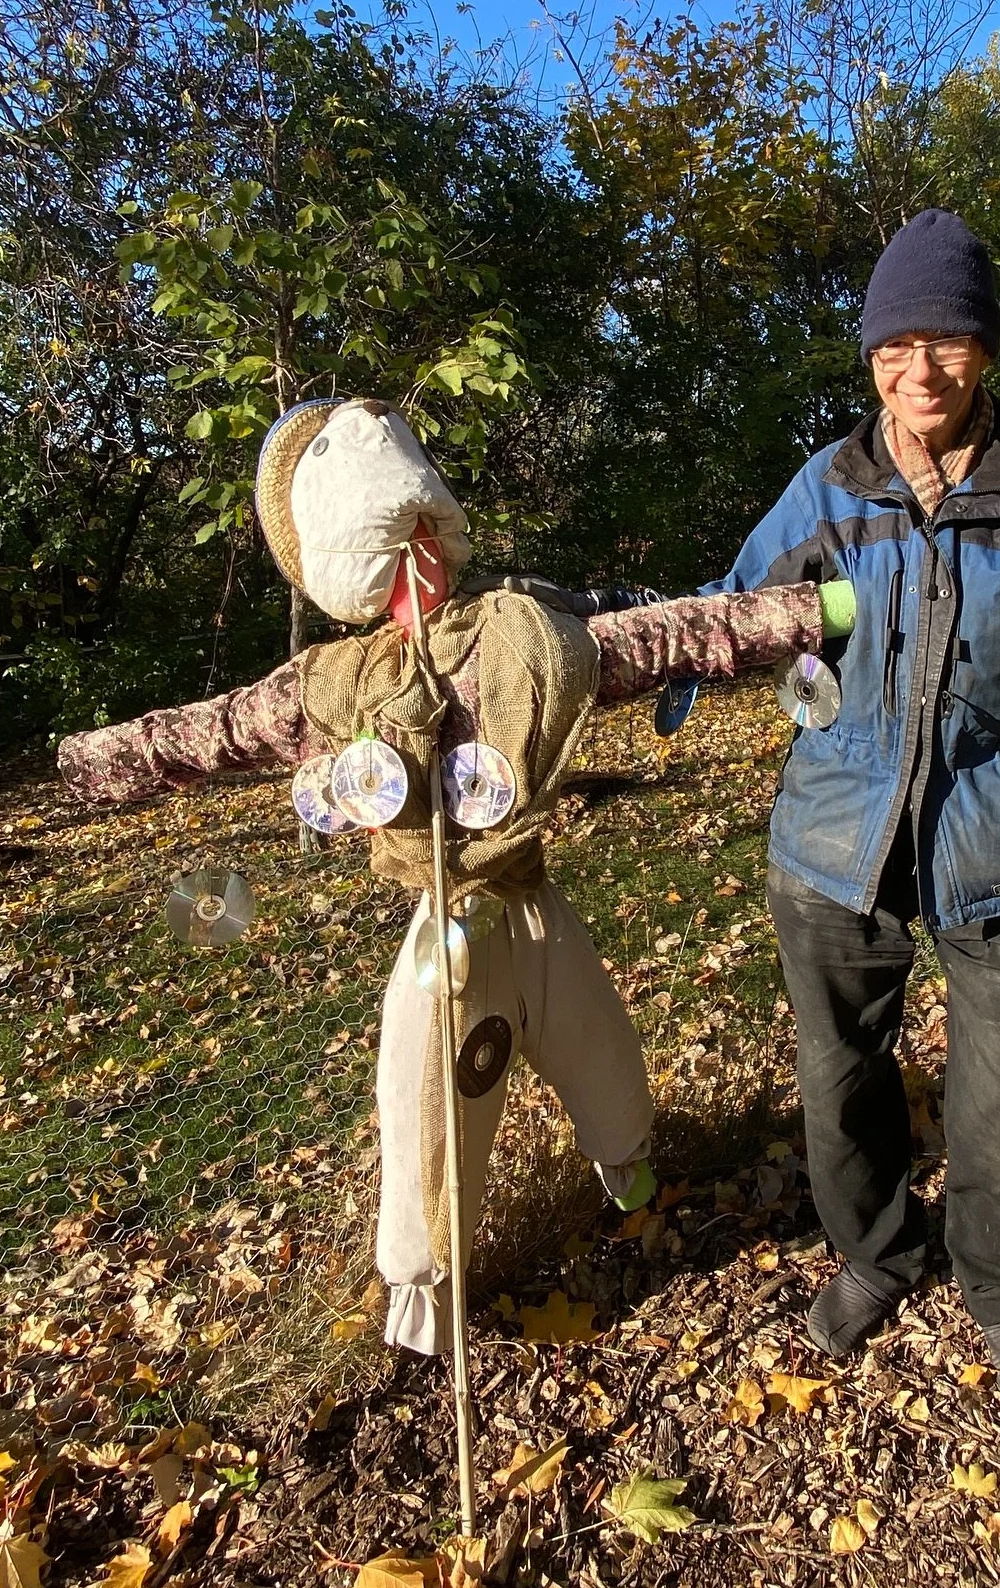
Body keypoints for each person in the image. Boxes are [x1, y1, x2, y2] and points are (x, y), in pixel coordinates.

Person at [57, 395, 856, 1355]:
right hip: (449, 927)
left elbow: (669, 636)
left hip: (530, 899)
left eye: (430, 527)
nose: (424, 552)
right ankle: (423, 1309)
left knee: (601, 1056)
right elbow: (221, 726)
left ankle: (633, 1177)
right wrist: (100, 759)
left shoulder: (524, 635)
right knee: (429, 1104)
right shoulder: (329, 684)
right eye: (401, 535)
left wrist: (810, 615)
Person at [707, 210, 1000, 1408]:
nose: (921, 370)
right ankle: (876, 1252)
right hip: (834, 845)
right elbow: (730, 614)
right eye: (893, 345)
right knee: (838, 1077)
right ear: (869, 359)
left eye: (948, 341)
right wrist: (679, 649)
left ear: (987, 350)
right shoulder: (828, 486)